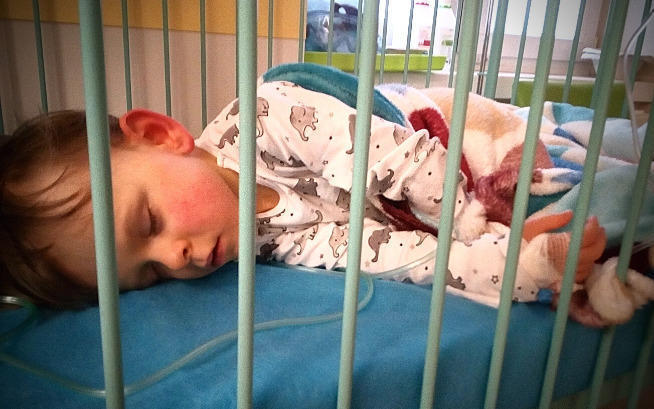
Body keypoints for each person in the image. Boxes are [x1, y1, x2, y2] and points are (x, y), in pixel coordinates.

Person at [0, 80, 606, 311]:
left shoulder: (263, 119)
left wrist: (473, 218)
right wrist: (509, 265)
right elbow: (388, 257)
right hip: (409, 211)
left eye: (149, 223)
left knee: (510, 154)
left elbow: (394, 152)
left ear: (161, 136)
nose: (174, 258)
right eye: (150, 274)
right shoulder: (269, 249)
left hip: (426, 150)